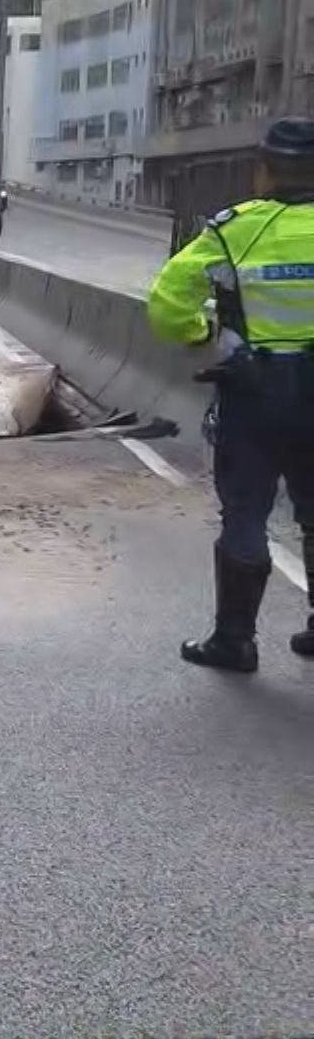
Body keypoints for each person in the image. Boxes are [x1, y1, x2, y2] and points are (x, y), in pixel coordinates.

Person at [147, 117, 314, 673]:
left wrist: (200, 334)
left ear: (265, 171)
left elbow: (167, 304)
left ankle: (235, 641)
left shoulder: (235, 230)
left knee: (246, 512)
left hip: (256, 392)